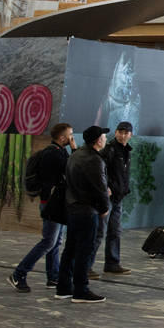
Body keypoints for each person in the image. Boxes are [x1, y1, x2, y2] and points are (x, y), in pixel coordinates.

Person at [8, 122, 73, 293]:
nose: (72, 138)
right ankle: (18, 274)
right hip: (51, 204)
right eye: (70, 135)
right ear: (62, 137)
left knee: (56, 242)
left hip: (56, 203)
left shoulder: (60, 152)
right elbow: (63, 175)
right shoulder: (53, 155)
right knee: (48, 242)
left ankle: (53, 277)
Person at [55, 126, 110, 303]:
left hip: (72, 208)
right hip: (87, 211)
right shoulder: (94, 160)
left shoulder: (75, 155)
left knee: (70, 249)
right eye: (103, 136)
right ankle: (81, 290)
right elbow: (100, 189)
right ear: (98, 141)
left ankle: (63, 288)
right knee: (84, 252)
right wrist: (104, 208)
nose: (105, 139)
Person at [94, 121, 134, 276]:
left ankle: (112, 263)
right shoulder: (109, 150)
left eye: (126, 133)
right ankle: (87, 265)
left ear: (130, 135)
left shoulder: (127, 151)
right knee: (99, 232)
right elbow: (100, 170)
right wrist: (106, 188)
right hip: (108, 197)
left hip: (119, 197)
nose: (123, 135)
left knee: (115, 231)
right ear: (116, 133)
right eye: (120, 132)